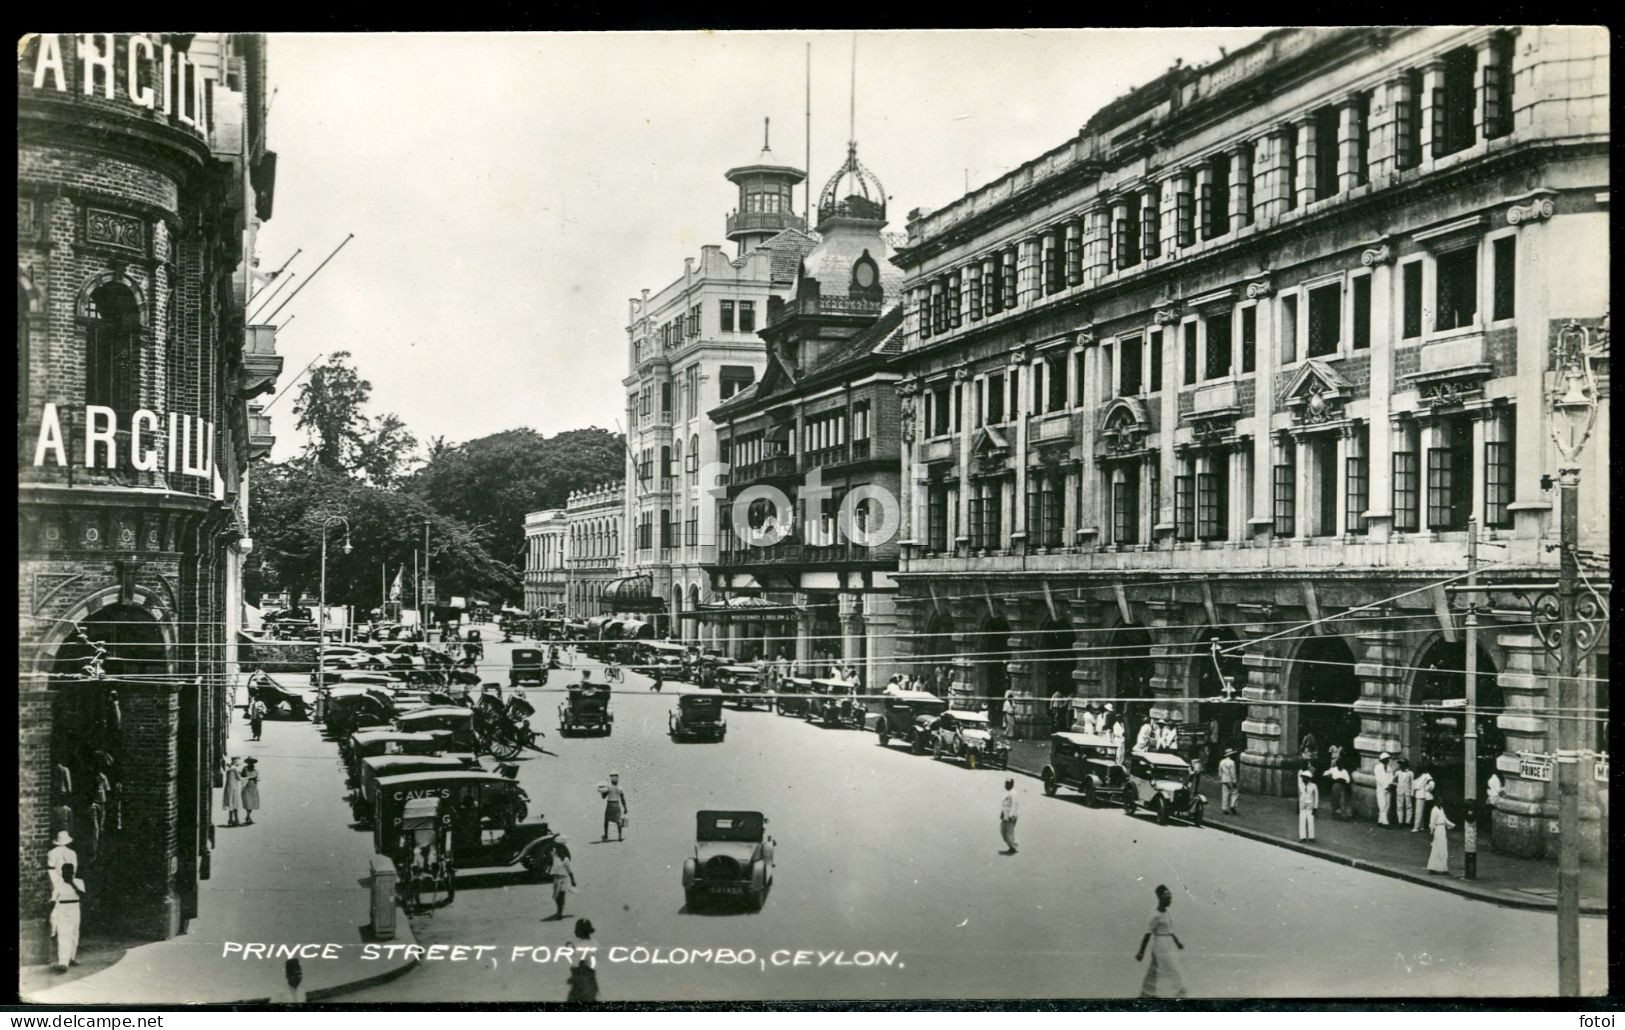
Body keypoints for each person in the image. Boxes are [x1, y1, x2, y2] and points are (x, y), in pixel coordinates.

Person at [1135, 884, 1187, 998]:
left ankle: (1147, 993)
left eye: (1170, 897)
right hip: (1160, 945)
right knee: (1170, 966)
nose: (1169, 900)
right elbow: (1148, 934)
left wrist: (1177, 942)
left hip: (1168, 943)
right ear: (1160, 898)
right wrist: (1141, 952)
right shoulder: (1155, 914)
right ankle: (1177, 991)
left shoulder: (1168, 913)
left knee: (1154, 969)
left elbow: (1170, 930)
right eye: (1167, 898)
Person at [49, 860, 86, 973]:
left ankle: (71, 958)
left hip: (75, 909)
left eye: (69, 872)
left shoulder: (79, 882)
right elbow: (53, 901)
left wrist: (72, 883)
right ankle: (63, 963)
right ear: (62, 872)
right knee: (64, 935)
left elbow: (83, 895)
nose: (66, 874)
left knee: (74, 933)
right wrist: (49, 916)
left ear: (73, 872)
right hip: (63, 911)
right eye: (65, 872)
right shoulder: (59, 884)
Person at [567, 918, 599, 1003]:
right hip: (590, 974)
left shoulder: (581, 944)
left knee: (576, 997)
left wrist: (571, 948)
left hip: (583, 974)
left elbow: (576, 955)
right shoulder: (593, 942)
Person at [549, 837, 576, 919]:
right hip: (556, 879)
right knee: (556, 896)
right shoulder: (555, 856)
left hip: (563, 879)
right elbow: (552, 849)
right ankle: (559, 910)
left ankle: (559, 912)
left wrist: (572, 880)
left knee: (561, 895)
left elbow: (570, 871)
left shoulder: (565, 860)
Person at [1427, 802, 1457, 874]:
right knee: (1438, 848)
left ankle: (1442, 868)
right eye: (1439, 800)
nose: (1440, 802)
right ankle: (1435, 868)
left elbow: (1445, 819)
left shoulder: (1441, 809)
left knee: (1443, 849)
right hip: (1438, 829)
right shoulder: (1434, 810)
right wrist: (1431, 831)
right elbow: (1432, 822)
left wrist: (1452, 825)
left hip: (1443, 829)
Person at [600, 773, 627, 842]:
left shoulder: (608, 787)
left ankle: (606, 835)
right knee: (619, 821)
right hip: (616, 804)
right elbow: (622, 798)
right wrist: (625, 808)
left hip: (610, 804)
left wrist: (601, 791)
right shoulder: (620, 788)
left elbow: (603, 797)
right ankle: (620, 836)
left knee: (606, 820)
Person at [1373, 752, 1396, 827]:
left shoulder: (1389, 767)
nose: (1388, 760)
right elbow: (1378, 779)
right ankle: (1385, 822)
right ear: (1382, 760)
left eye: (1388, 759)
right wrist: (1385, 786)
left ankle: (1380, 821)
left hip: (1388, 789)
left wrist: (1389, 784)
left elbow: (1391, 777)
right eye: (1386, 759)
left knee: (1387, 805)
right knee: (1382, 805)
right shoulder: (1377, 767)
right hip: (1381, 789)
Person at [1411, 766, 1436, 833]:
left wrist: (1427, 789)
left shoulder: (1426, 775)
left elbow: (1432, 784)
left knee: (1418, 811)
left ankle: (1416, 827)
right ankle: (1421, 826)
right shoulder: (1417, 776)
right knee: (1420, 811)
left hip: (1422, 794)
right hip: (1418, 794)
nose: (1417, 769)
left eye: (1419, 768)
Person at [1297, 768, 1319, 842]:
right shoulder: (1300, 785)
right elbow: (1300, 795)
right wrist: (1298, 805)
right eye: (1302, 777)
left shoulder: (1313, 786)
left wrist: (1315, 808)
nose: (1303, 779)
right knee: (1302, 821)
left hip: (1310, 806)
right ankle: (1302, 837)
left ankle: (1311, 837)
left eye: (1305, 778)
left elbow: (1316, 797)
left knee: (1311, 821)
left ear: (1309, 779)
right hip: (1302, 806)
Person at [999, 778, 1019, 855]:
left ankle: (1013, 847)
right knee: (1002, 831)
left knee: (1009, 833)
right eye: (1005, 784)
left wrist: (1011, 815)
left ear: (1011, 784)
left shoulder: (1013, 793)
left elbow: (1014, 805)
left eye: (1007, 784)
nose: (1005, 785)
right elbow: (1005, 803)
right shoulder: (1009, 792)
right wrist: (1002, 812)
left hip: (1010, 816)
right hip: (1005, 815)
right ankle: (1012, 846)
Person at [1394, 758, 1415, 828]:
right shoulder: (1398, 773)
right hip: (1400, 791)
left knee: (1409, 806)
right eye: (1400, 764)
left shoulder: (1410, 773)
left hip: (1407, 791)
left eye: (1402, 764)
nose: (1400, 766)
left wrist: (1412, 793)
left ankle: (1408, 821)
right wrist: (1398, 785)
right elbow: (1393, 781)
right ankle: (1400, 821)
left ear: (1405, 765)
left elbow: (1412, 784)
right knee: (1399, 806)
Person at [1218, 749, 1240, 815]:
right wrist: (1234, 781)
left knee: (1225, 794)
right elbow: (1233, 773)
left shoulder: (1221, 762)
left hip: (1223, 779)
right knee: (1235, 792)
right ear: (1231, 755)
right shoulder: (1232, 762)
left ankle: (1224, 808)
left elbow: (1219, 772)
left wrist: (1221, 778)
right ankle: (1233, 805)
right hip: (1230, 779)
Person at [223, 756, 244, 827]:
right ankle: (236, 820)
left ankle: (230, 820)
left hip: (229, 788)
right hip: (234, 788)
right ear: (236, 762)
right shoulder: (235, 769)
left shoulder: (229, 769)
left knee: (231, 804)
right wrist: (248, 778)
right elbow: (239, 778)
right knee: (235, 804)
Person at [241, 757, 261, 826]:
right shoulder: (244, 769)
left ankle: (248, 815)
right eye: (249, 762)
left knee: (252, 802)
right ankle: (248, 816)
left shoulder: (256, 770)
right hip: (246, 786)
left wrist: (256, 780)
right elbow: (241, 777)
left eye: (252, 762)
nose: (251, 764)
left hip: (253, 787)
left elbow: (257, 778)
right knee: (247, 802)